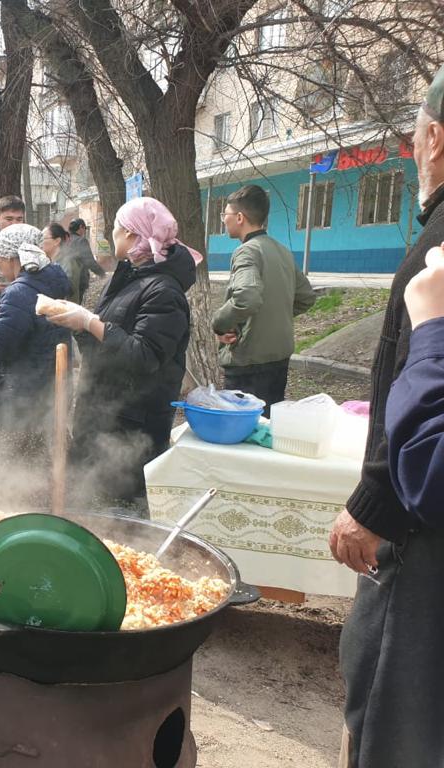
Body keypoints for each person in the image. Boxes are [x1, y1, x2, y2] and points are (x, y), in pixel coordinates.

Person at [332, 65, 444, 768]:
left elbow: (417, 383)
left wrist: (372, 506)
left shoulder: (436, 254)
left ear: (434, 139)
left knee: (396, 728)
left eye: (413, 137)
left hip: (424, 542)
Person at [44, 197, 200, 510]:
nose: (109, 235)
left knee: (121, 521)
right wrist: (79, 326)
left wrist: (90, 322)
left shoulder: (163, 290)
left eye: (114, 228)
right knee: (90, 511)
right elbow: (104, 352)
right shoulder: (131, 279)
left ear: (130, 234)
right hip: (102, 419)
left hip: (131, 430)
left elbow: (143, 356)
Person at [212, 185, 315, 415]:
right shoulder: (282, 250)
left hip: (249, 363)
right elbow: (306, 297)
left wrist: (219, 322)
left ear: (239, 217)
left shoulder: (247, 251)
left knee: (242, 434)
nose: (223, 221)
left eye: (225, 215)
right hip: (279, 358)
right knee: (267, 429)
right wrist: (274, 316)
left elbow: (246, 298)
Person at [0, 224, 72, 447]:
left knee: (20, 466)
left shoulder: (17, 294)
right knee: (48, 458)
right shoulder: (53, 281)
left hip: (23, 397)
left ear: (10, 259)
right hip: (52, 390)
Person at [66, 218, 107, 304]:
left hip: (64, 277)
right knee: (75, 306)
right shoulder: (81, 241)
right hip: (78, 279)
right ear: (81, 227)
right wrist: (102, 273)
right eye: (85, 228)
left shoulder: (65, 240)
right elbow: (89, 261)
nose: (84, 231)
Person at [41, 222, 80, 302]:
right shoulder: (49, 260)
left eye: (42, 238)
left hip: (65, 309)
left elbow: (68, 289)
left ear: (57, 241)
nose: (39, 242)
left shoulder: (68, 261)